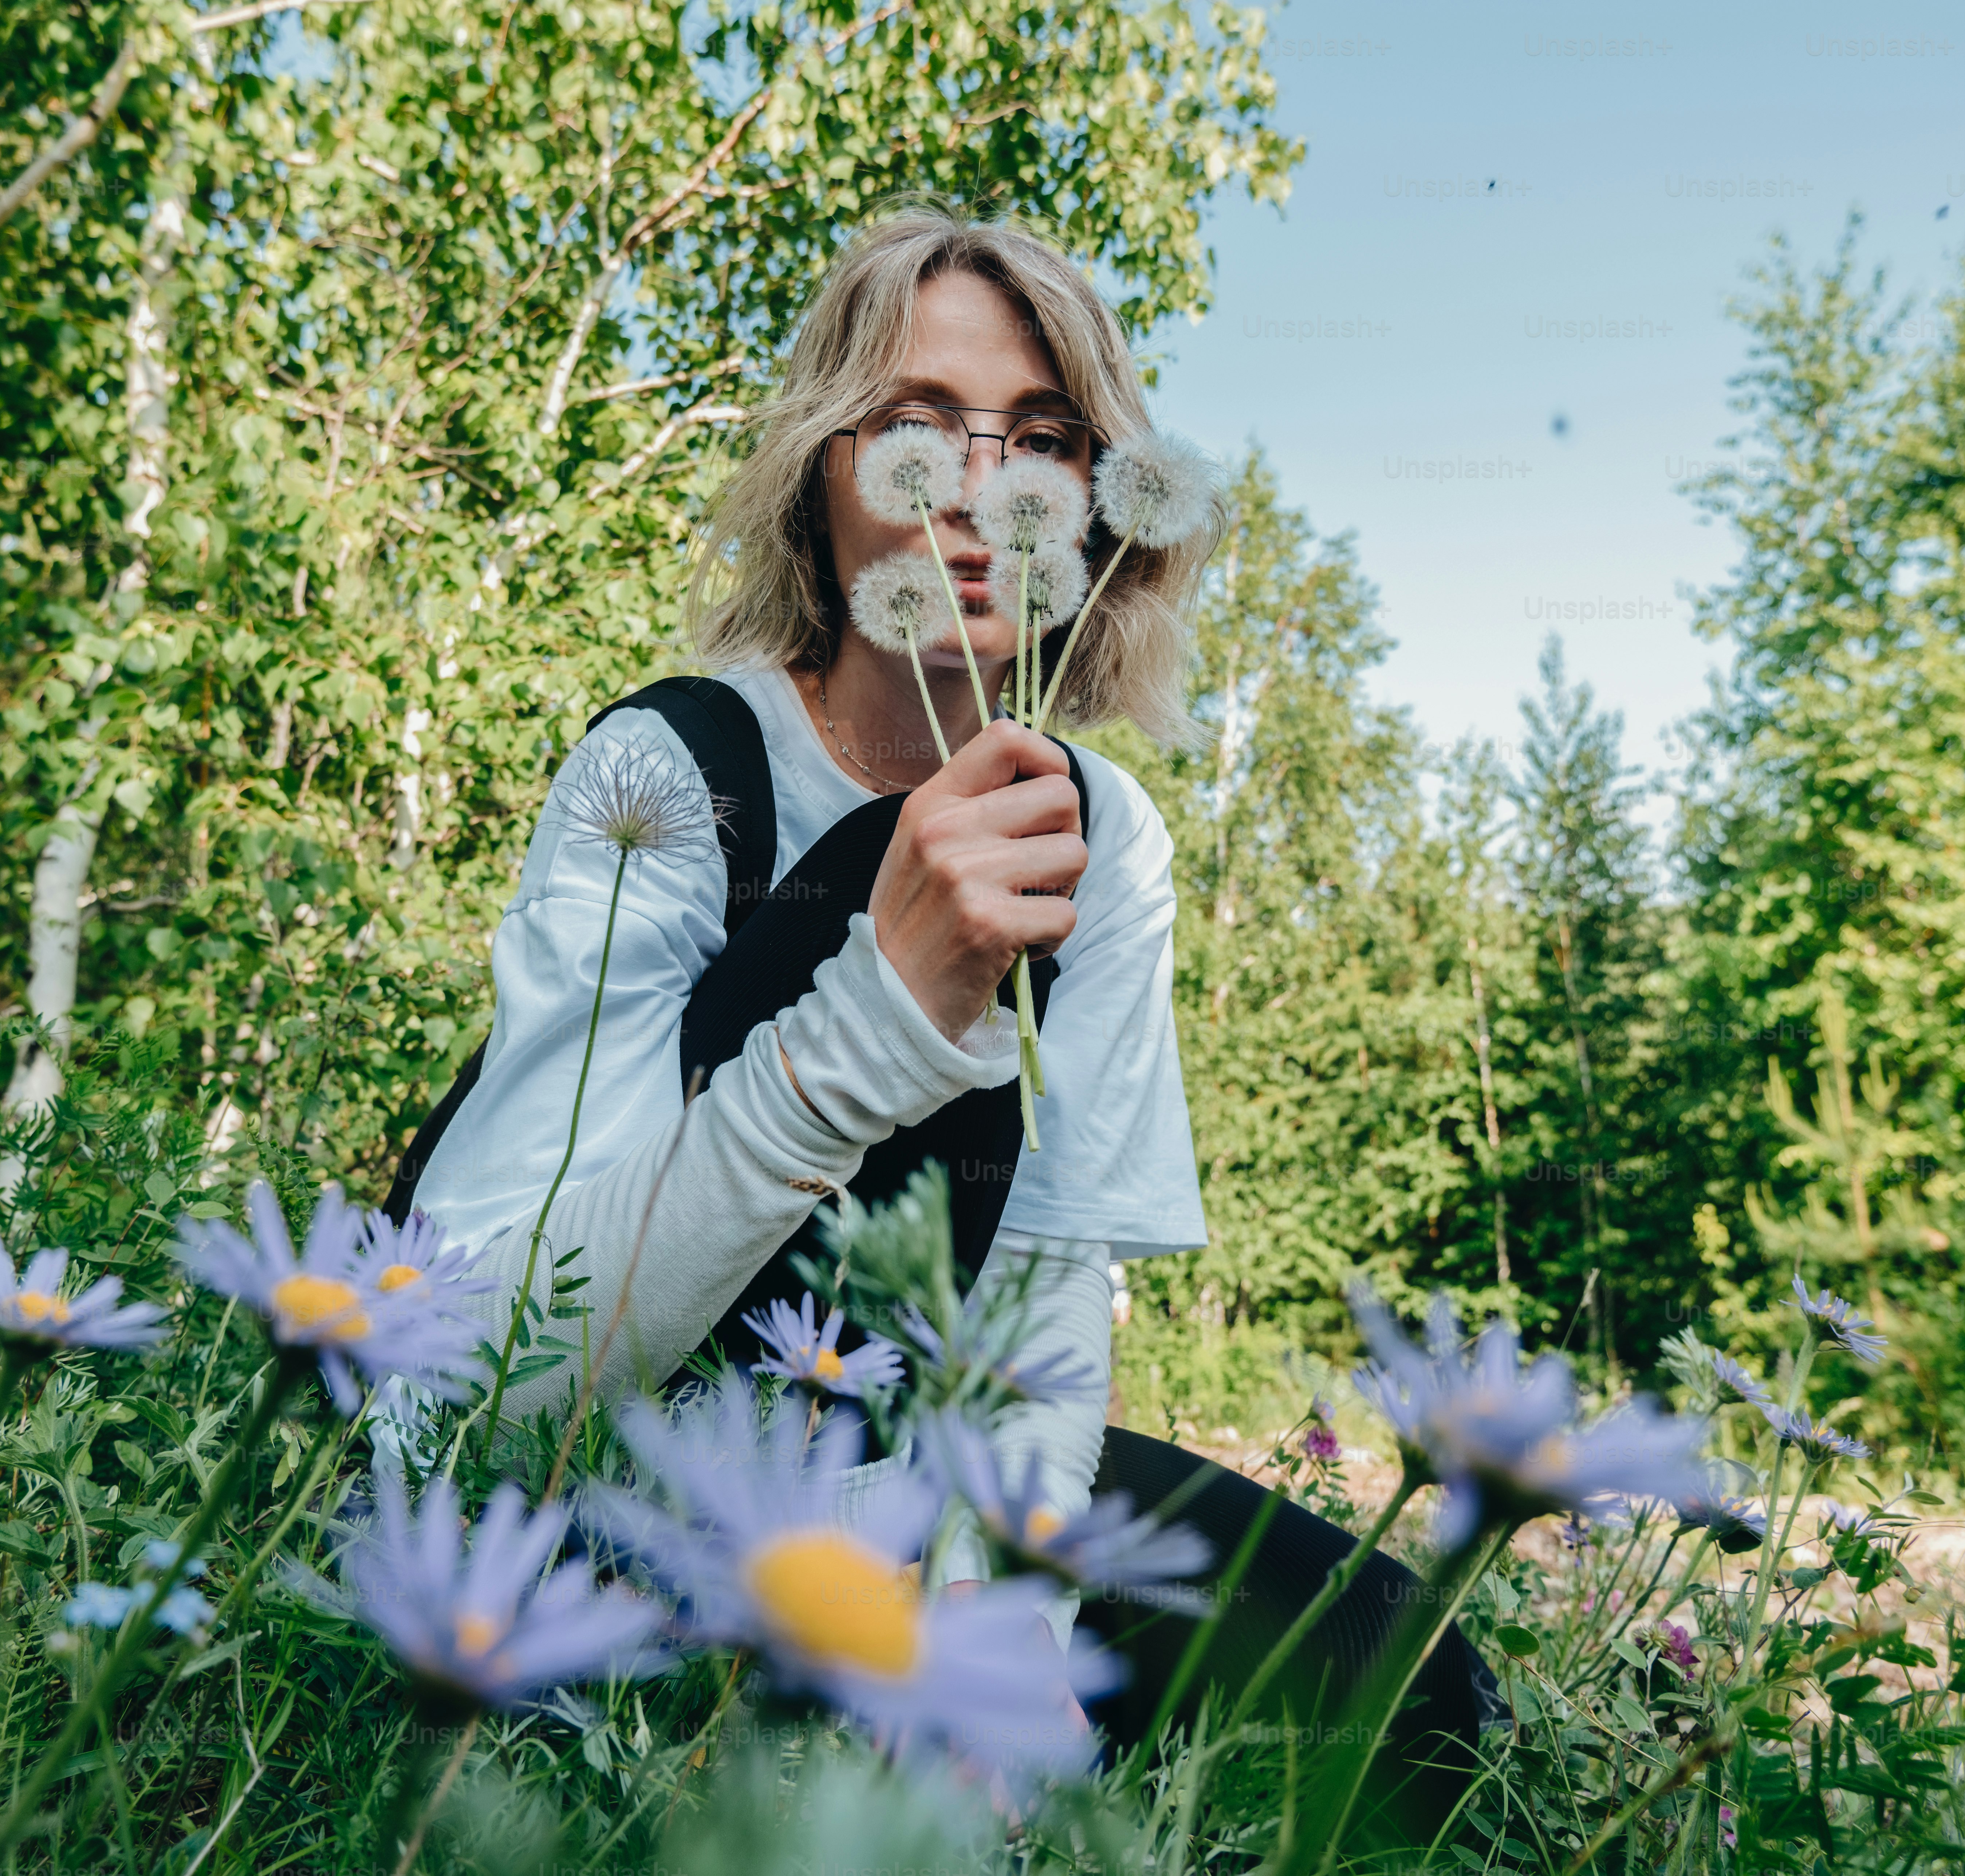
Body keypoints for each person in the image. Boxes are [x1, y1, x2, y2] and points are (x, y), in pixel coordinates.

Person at [390, 203, 1492, 1809]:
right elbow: (480, 1416)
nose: (992, 491)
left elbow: (1048, 1300)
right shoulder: (669, 774)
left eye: (1046, 437)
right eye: (920, 428)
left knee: (1400, 1679)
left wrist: (1000, 1622)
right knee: (842, 884)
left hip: (907, 1469)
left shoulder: (1108, 844)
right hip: (608, 1460)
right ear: (824, 482)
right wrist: (880, 1008)